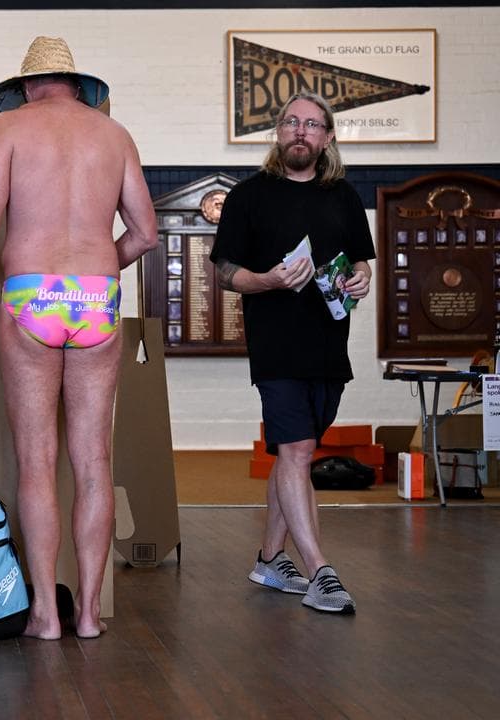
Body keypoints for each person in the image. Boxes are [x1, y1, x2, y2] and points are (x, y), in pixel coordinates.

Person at [0, 36, 157, 640]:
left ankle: (43, 615)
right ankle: (87, 613)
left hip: (32, 296)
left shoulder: (8, 130)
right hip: (96, 297)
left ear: (26, 87)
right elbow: (145, 233)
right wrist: (93, 268)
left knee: (36, 463)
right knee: (92, 463)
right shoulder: (115, 136)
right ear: (80, 86)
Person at [210, 91, 373, 614]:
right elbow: (225, 270)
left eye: (312, 124)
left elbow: (362, 264)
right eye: (291, 123)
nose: (300, 131)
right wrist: (268, 278)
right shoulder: (249, 197)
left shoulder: (343, 197)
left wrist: (361, 279)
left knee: (291, 457)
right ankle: (320, 571)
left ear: (326, 138)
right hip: (276, 346)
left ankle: (268, 559)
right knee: (298, 452)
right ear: (278, 133)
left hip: (330, 346)